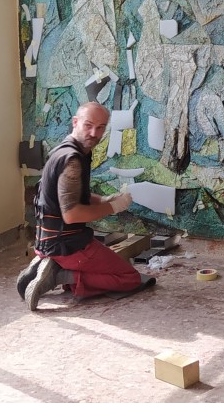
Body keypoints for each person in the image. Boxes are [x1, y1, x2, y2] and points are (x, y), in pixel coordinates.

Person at [18, 102, 154, 310]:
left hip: (49, 239)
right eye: (88, 125)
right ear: (75, 122)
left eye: (100, 128)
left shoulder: (69, 150)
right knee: (130, 278)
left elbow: (72, 196)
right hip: (66, 244)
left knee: (115, 270)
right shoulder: (72, 161)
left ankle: (51, 263)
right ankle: (61, 275)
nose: (94, 133)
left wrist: (104, 200)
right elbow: (72, 214)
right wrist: (113, 208)